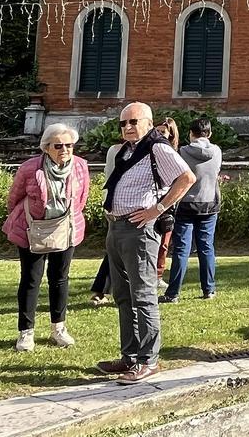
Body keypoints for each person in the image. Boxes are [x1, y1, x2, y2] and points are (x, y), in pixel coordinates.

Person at [97, 101, 195, 384]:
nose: (127, 127)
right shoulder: (128, 151)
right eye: (123, 123)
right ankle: (130, 357)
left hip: (139, 231)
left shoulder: (157, 147)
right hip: (117, 229)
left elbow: (187, 178)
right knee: (123, 295)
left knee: (143, 296)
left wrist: (158, 208)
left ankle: (148, 360)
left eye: (133, 122)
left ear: (149, 123)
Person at [4, 123, 90, 352]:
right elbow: (14, 199)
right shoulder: (30, 168)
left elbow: (82, 198)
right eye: (58, 145)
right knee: (31, 279)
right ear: (46, 147)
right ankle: (26, 332)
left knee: (59, 279)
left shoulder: (80, 166)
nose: (65, 150)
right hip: (33, 230)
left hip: (66, 228)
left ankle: (58, 329)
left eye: (69, 145)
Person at [160, 117, 221, 303]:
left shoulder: (183, 152)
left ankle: (173, 293)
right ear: (209, 133)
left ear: (190, 134)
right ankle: (208, 289)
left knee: (181, 250)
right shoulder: (217, 151)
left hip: (186, 204)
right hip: (210, 204)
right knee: (206, 248)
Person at [151, 117, 180, 279]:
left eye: (163, 132)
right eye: (157, 131)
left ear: (171, 134)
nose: (159, 134)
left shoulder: (175, 154)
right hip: (152, 201)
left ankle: (158, 274)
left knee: (164, 243)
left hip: (168, 203)